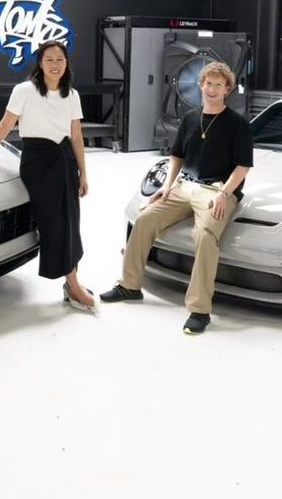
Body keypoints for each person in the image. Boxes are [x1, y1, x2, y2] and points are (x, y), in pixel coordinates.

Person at [99, 61, 253, 335]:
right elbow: (177, 155)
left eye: (219, 84)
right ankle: (129, 285)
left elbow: (242, 167)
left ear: (227, 89)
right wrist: (168, 186)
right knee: (145, 219)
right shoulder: (191, 119)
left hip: (217, 190)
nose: (213, 89)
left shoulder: (238, 124)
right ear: (201, 85)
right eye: (209, 83)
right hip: (184, 186)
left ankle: (199, 309)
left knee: (205, 236)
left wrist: (224, 194)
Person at [0, 41, 95, 312]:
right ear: (40, 63)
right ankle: (73, 283)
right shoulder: (25, 90)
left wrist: (83, 173)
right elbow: (6, 124)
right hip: (38, 163)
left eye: (60, 59)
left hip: (65, 160)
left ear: (66, 63)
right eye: (49, 59)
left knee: (71, 221)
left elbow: (77, 136)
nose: (55, 65)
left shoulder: (72, 95)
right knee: (53, 222)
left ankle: (73, 281)